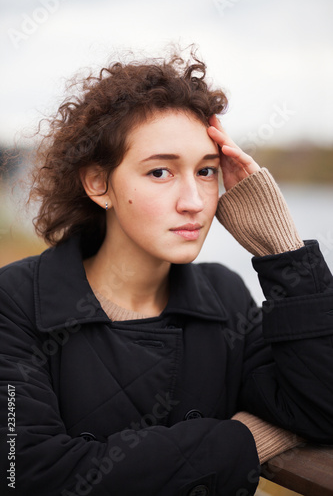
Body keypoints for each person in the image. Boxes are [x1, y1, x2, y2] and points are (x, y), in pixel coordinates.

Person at [1, 47, 333, 496]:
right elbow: (29, 475)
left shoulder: (224, 296)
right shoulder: (17, 301)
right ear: (98, 183)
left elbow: (321, 406)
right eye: (160, 172)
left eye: (206, 171)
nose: (194, 201)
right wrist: (243, 442)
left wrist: (281, 249)